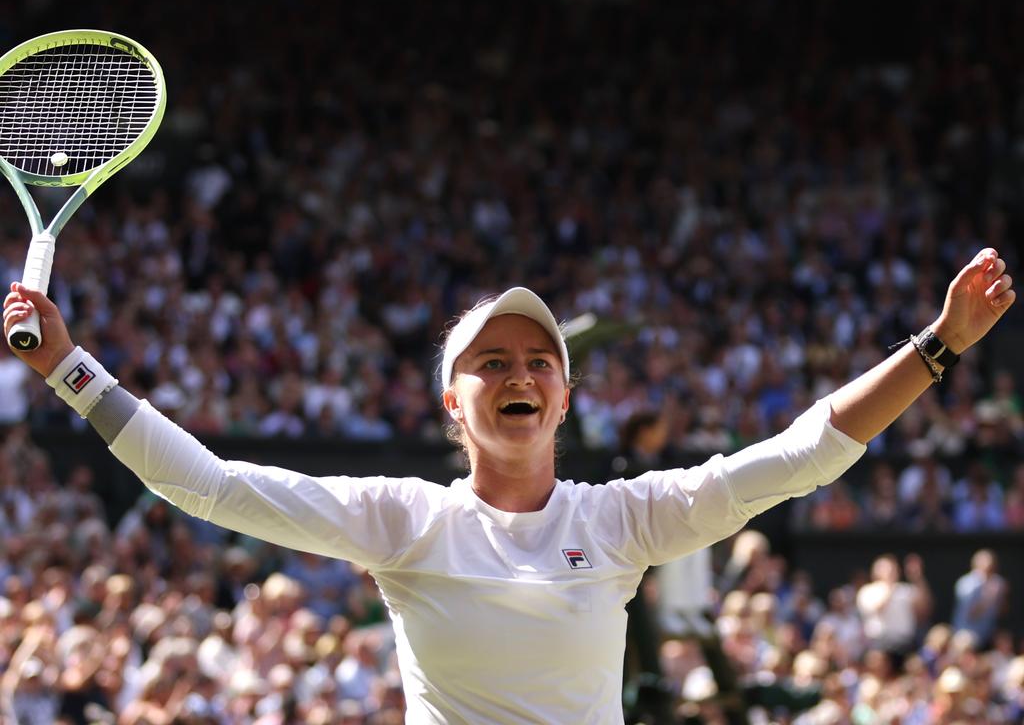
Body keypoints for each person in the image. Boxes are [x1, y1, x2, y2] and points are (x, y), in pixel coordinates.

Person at [1, 248, 1015, 724]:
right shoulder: (403, 520)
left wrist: (935, 349)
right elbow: (214, 487)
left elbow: (799, 455)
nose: (519, 373)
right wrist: (70, 371)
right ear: (453, 404)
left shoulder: (622, 519)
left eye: (538, 361)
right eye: (491, 362)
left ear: (565, 399)